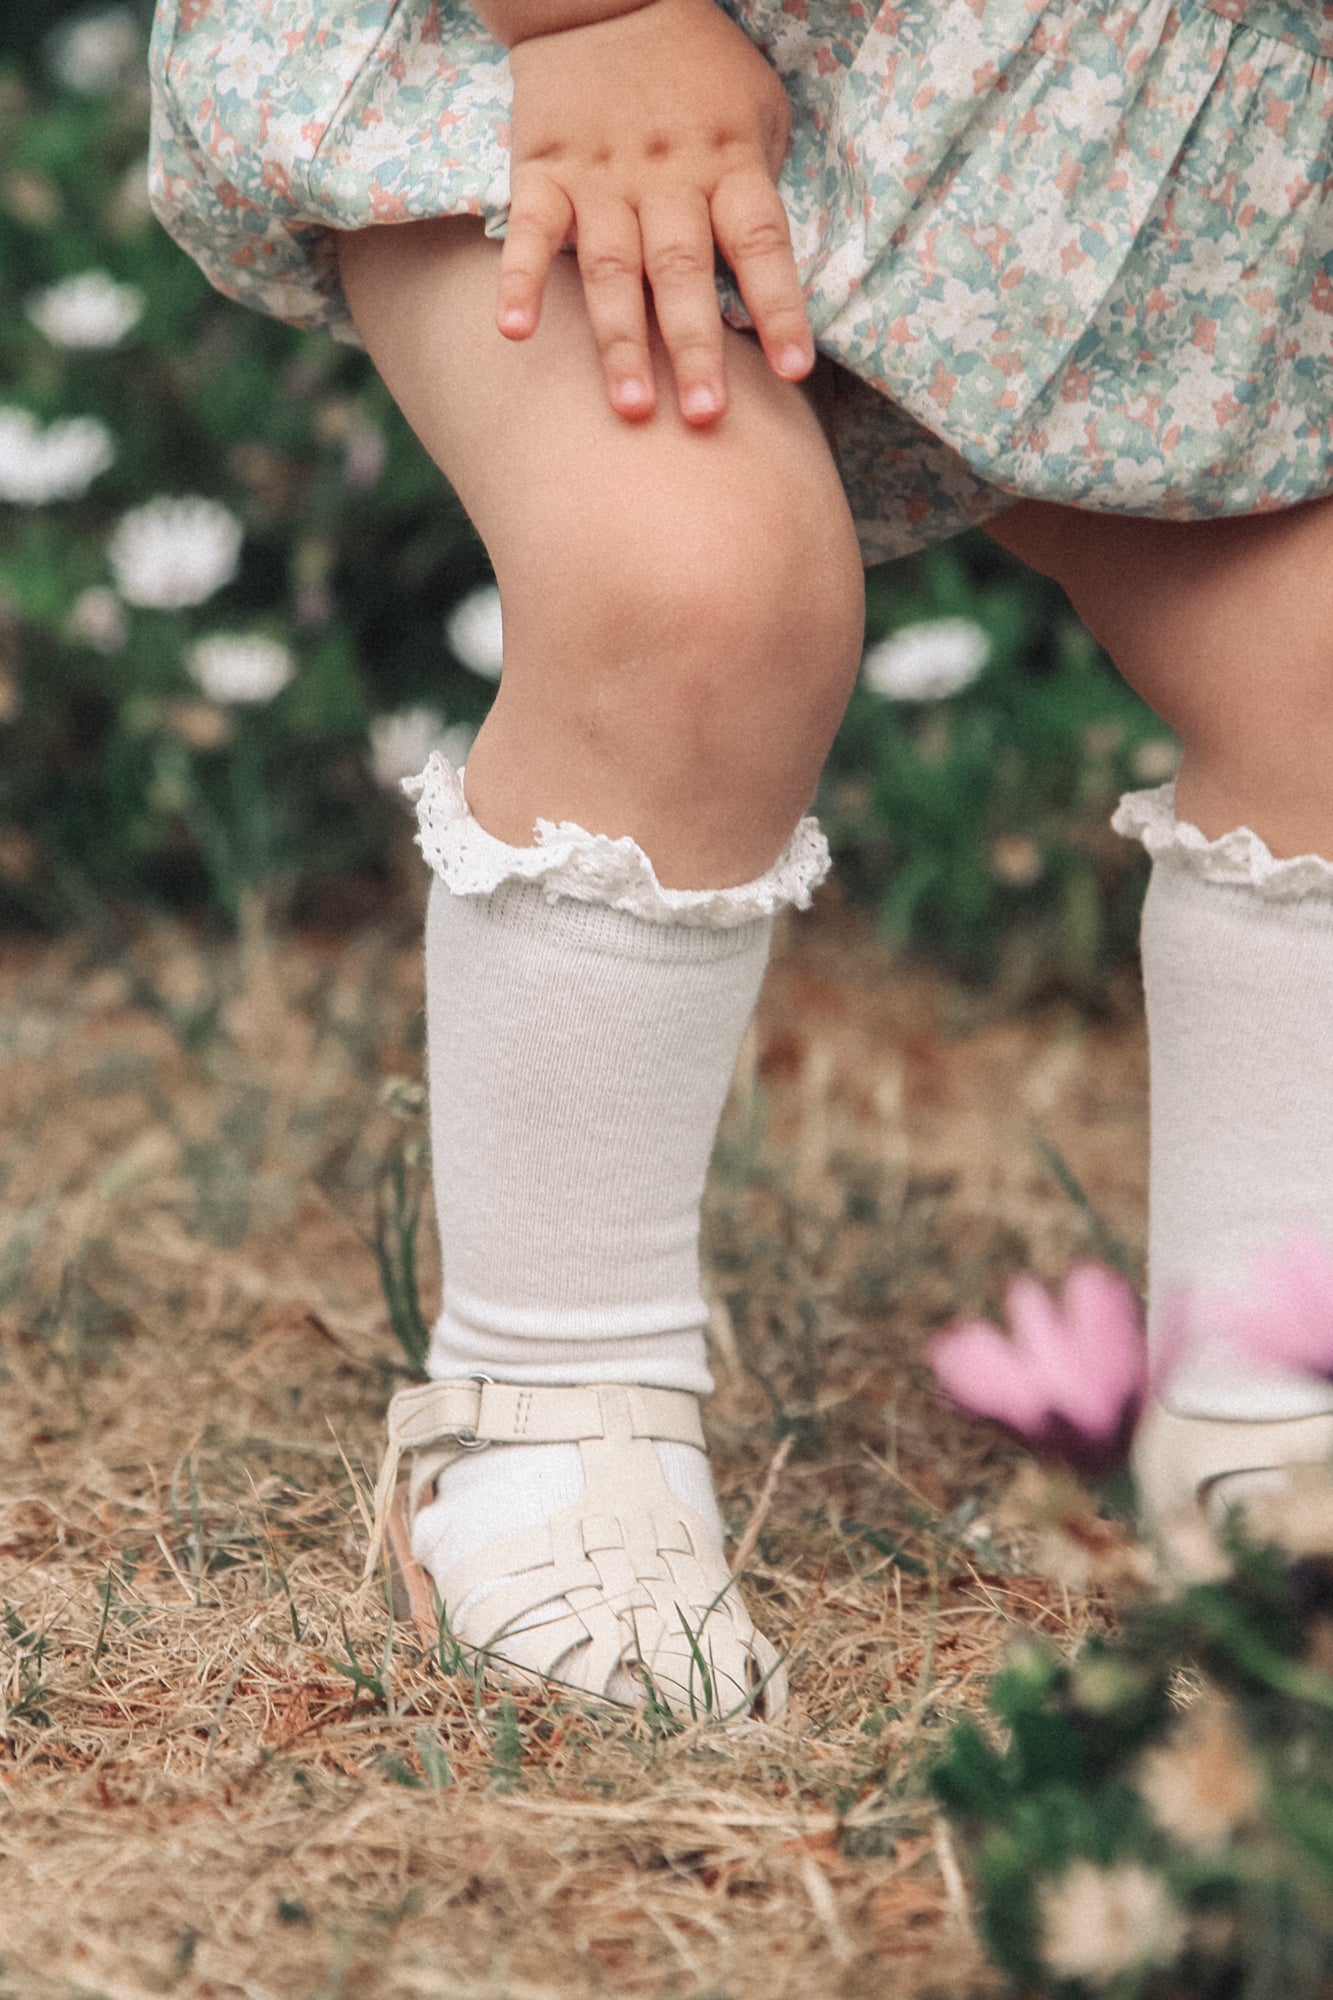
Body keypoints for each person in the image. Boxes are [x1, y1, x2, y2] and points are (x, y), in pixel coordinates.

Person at [148, 0, 1333, 1718]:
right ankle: (551, 1403)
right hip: (585, 69)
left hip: (1081, 114)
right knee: (693, 591)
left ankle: (1274, 1397)